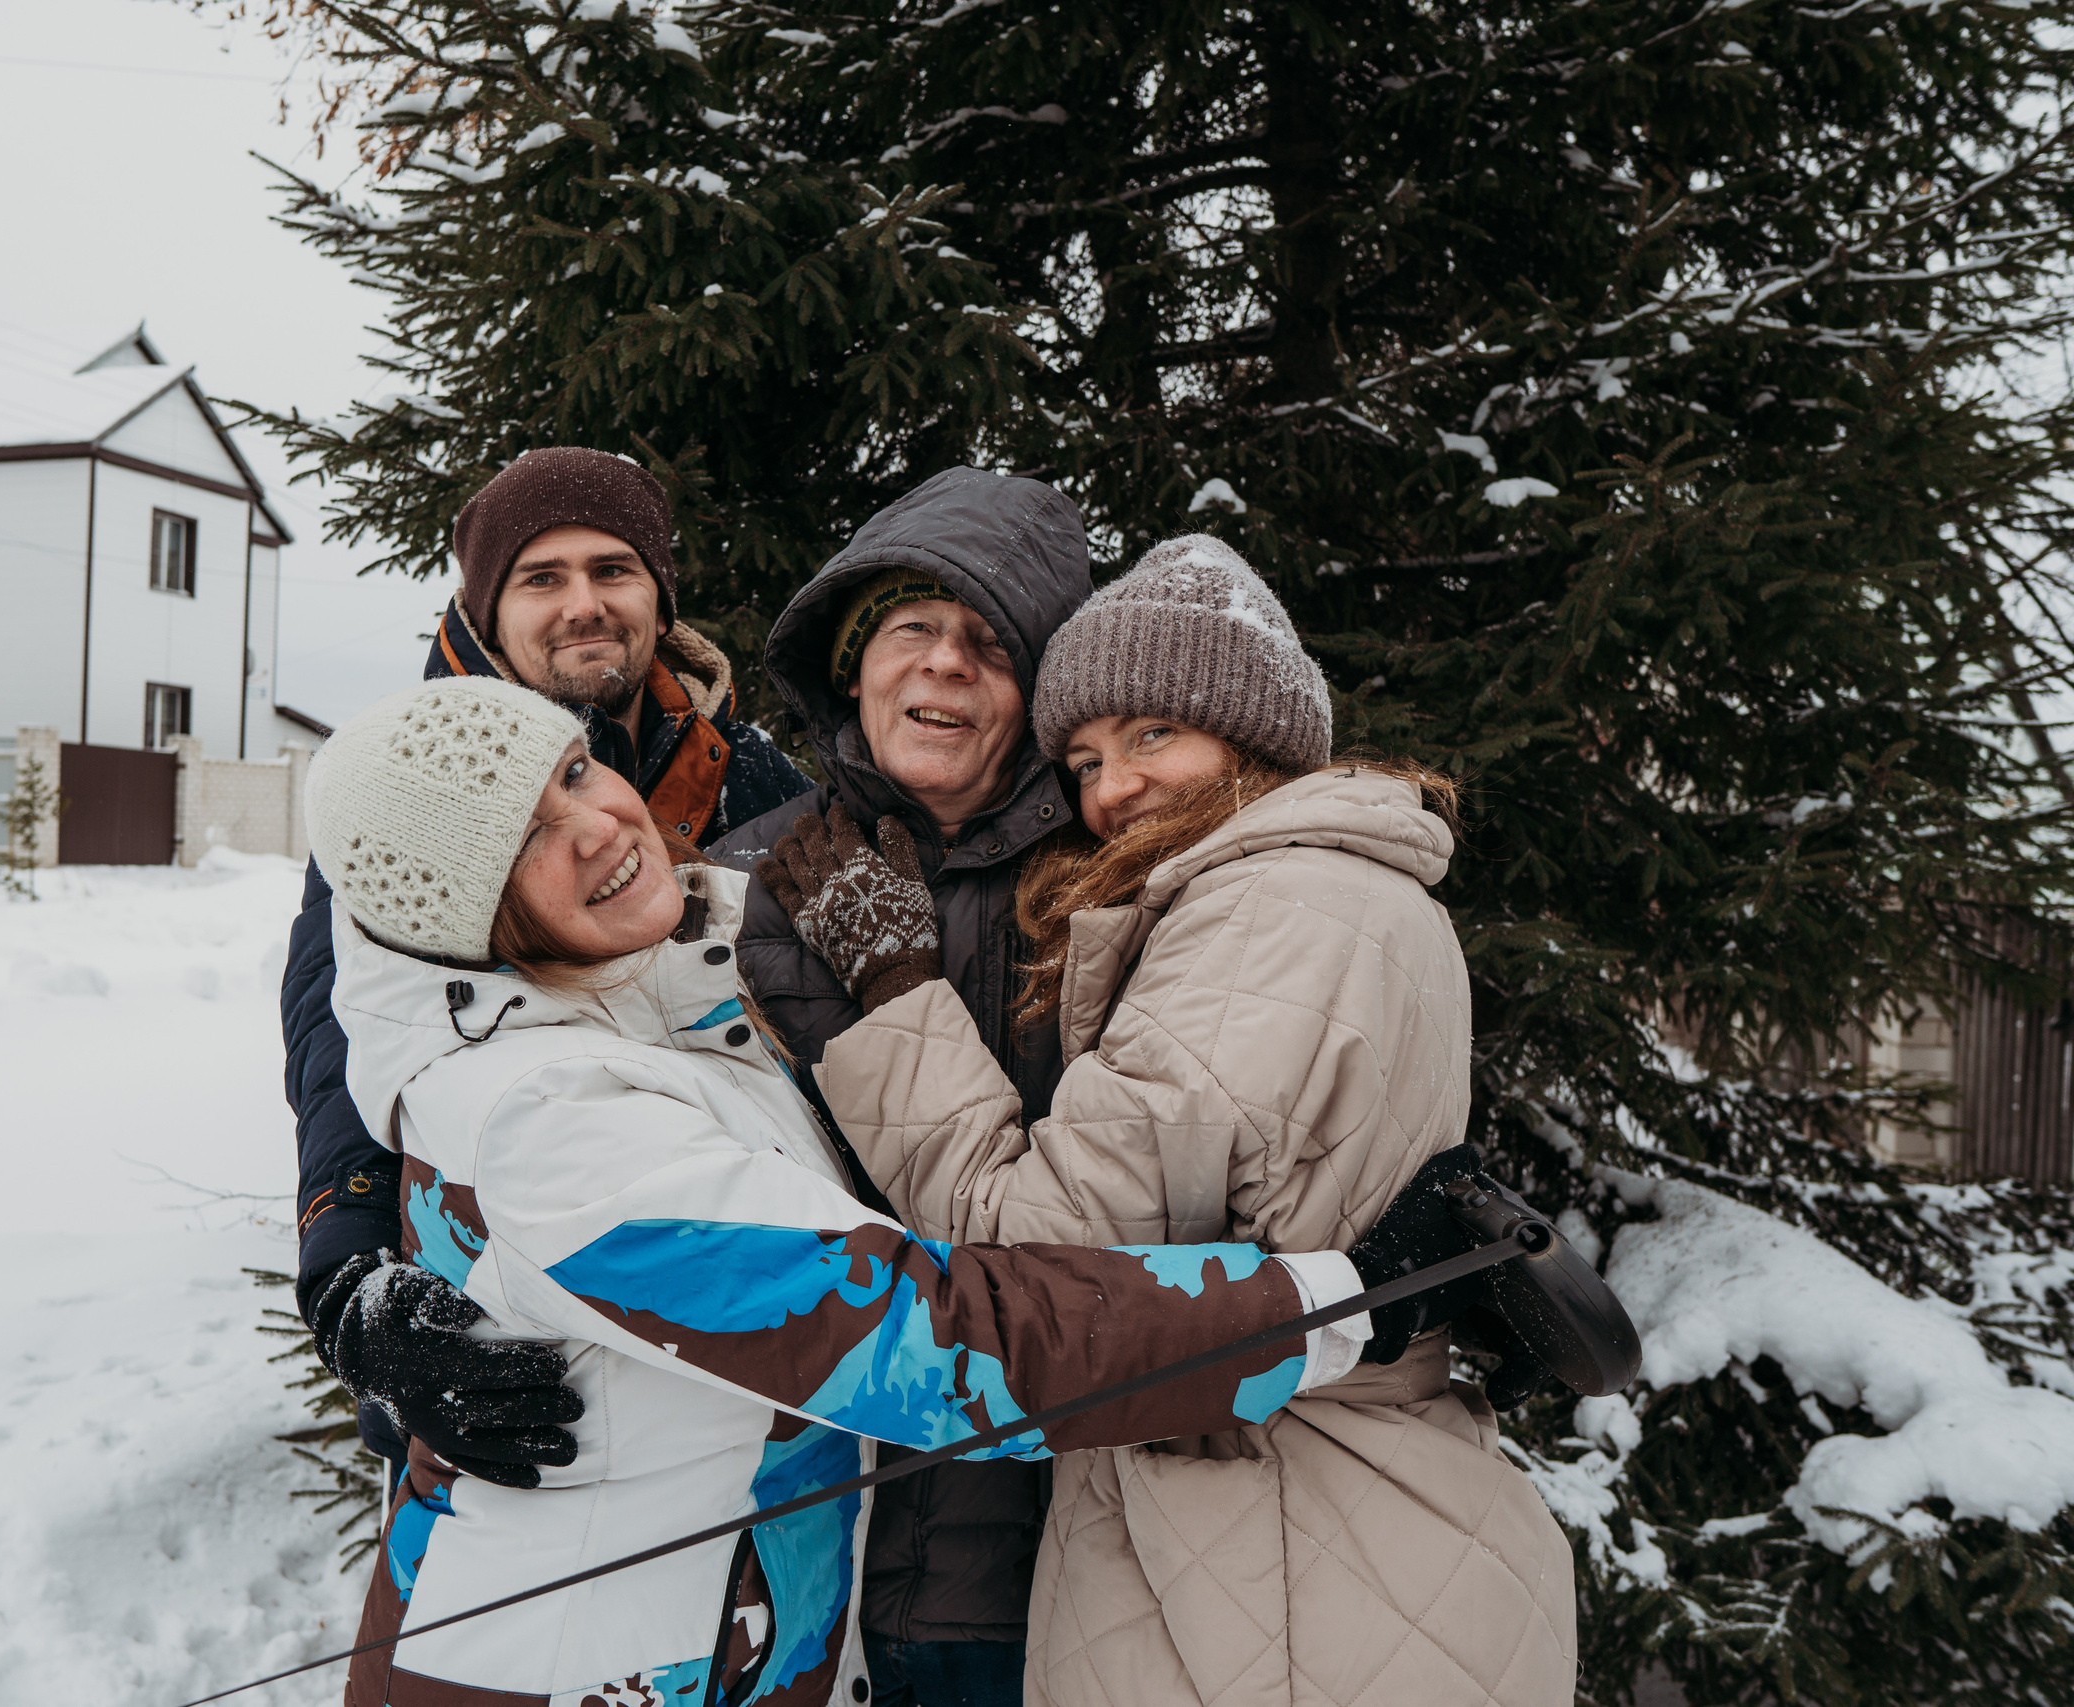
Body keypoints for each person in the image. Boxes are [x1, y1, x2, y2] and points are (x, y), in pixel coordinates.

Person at [300, 674, 1498, 1707]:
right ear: (462, 918)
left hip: (726, 1648)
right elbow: (926, 1343)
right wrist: (1343, 1304)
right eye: (519, 838)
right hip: (561, 1672)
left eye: (572, 771)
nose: (598, 822)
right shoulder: (548, 1121)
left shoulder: (649, 972)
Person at [762, 536, 1581, 1707]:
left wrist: (895, 993)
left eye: (1155, 734)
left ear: (1252, 737)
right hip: (1287, 1522)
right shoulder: (1311, 887)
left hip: (1279, 1548)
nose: (1114, 787)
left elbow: (1032, 1246)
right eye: (1086, 759)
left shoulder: (1274, 907)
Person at [282, 448, 814, 1472]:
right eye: (542, 577)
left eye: (613, 570)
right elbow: (347, 1023)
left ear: (659, 595)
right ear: (486, 609)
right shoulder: (413, 785)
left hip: (746, 1287)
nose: (584, 604)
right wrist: (347, 1267)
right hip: (531, 1325)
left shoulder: (746, 776)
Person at [703, 466, 1088, 1705]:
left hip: (1022, 1549)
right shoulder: (729, 881)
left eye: (989, 643)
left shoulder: (1108, 891)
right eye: (910, 629)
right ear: (851, 665)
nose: (942, 666)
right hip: (771, 1525)